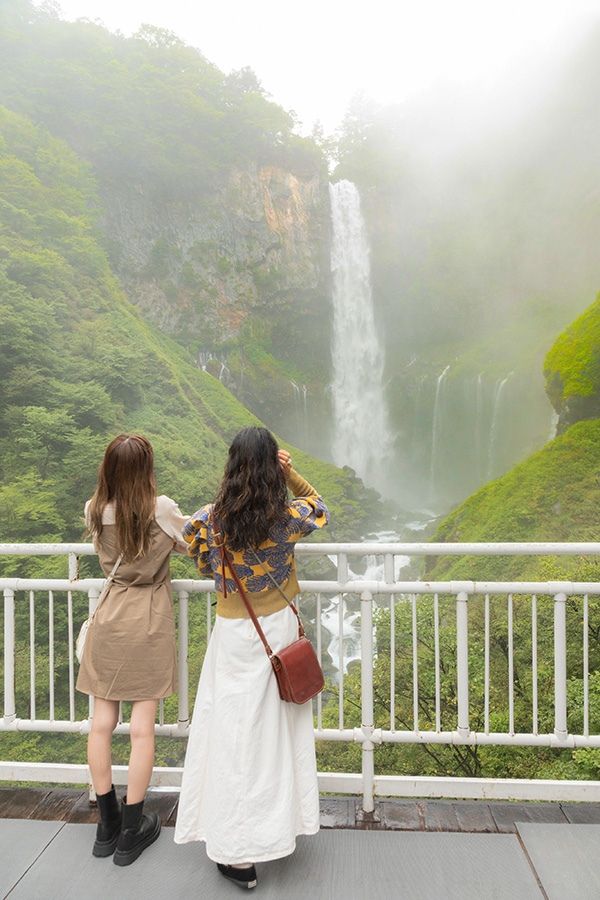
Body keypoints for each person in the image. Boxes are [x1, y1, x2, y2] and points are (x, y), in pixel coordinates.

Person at [174, 426, 329, 889]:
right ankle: (278, 828)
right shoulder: (286, 517)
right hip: (277, 631)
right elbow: (320, 507)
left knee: (232, 731)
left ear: (231, 466)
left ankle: (235, 850)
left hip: (234, 633)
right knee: (275, 731)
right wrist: (291, 473)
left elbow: (203, 562)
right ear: (269, 466)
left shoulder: (207, 519)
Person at [76, 434, 189, 866]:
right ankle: (131, 831)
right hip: (147, 621)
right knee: (142, 729)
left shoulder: (93, 509)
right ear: (146, 469)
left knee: (101, 723)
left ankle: (105, 825)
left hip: (108, 617)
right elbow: (189, 543)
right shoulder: (160, 508)